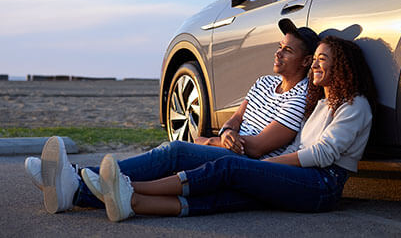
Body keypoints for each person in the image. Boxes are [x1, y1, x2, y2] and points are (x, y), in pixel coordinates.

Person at [28, 18, 321, 213]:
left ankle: (75, 178)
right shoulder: (263, 82)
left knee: (174, 152)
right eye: (279, 47)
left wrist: (210, 142)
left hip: (251, 165)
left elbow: (257, 147)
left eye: (288, 51)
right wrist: (226, 132)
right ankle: (76, 186)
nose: (278, 54)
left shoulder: (301, 96)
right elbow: (236, 118)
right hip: (232, 150)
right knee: (170, 160)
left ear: (306, 61)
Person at [95, 35, 377, 221]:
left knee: (230, 168)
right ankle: (131, 203)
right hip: (304, 176)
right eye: (314, 59)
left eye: (322, 59)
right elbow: (298, 147)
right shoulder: (321, 104)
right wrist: (267, 168)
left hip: (322, 185)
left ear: (341, 66)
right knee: (231, 195)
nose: (315, 65)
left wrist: (268, 165)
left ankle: (129, 186)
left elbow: (323, 155)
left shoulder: (355, 105)